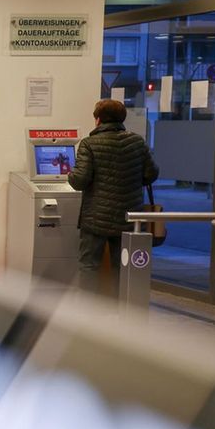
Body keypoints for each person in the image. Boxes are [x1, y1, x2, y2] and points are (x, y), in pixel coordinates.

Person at [67, 98, 158, 294]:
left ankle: (87, 308)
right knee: (123, 266)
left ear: (98, 120)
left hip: (96, 218)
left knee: (89, 265)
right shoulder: (137, 142)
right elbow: (151, 174)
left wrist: (69, 175)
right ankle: (121, 306)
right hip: (128, 217)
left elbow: (80, 180)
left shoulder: (89, 144)